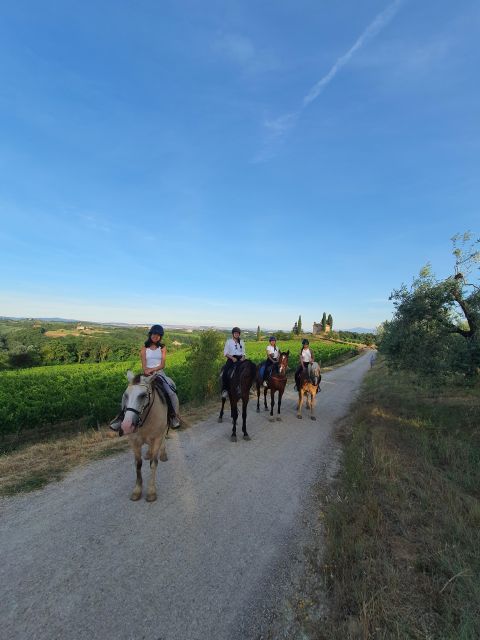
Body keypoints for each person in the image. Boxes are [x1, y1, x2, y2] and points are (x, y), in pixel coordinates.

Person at [140, 324, 181, 428]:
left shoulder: (162, 348)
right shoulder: (144, 348)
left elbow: (162, 364)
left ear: (160, 337)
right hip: (147, 374)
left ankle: (174, 417)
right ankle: (127, 417)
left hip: (159, 373)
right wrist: (147, 371)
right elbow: (144, 365)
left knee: (171, 393)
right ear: (150, 334)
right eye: (154, 334)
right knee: (134, 392)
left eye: (158, 335)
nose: (156, 336)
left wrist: (153, 370)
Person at [221, 327, 246, 398]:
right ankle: (225, 390)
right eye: (235, 333)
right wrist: (232, 358)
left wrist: (243, 357)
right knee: (225, 372)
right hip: (231, 358)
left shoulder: (242, 342)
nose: (237, 334)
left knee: (248, 370)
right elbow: (225, 353)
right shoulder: (228, 341)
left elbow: (244, 352)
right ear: (233, 334)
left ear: (239, 334)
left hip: (240, 358)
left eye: (238, 333)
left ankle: (246, 388)